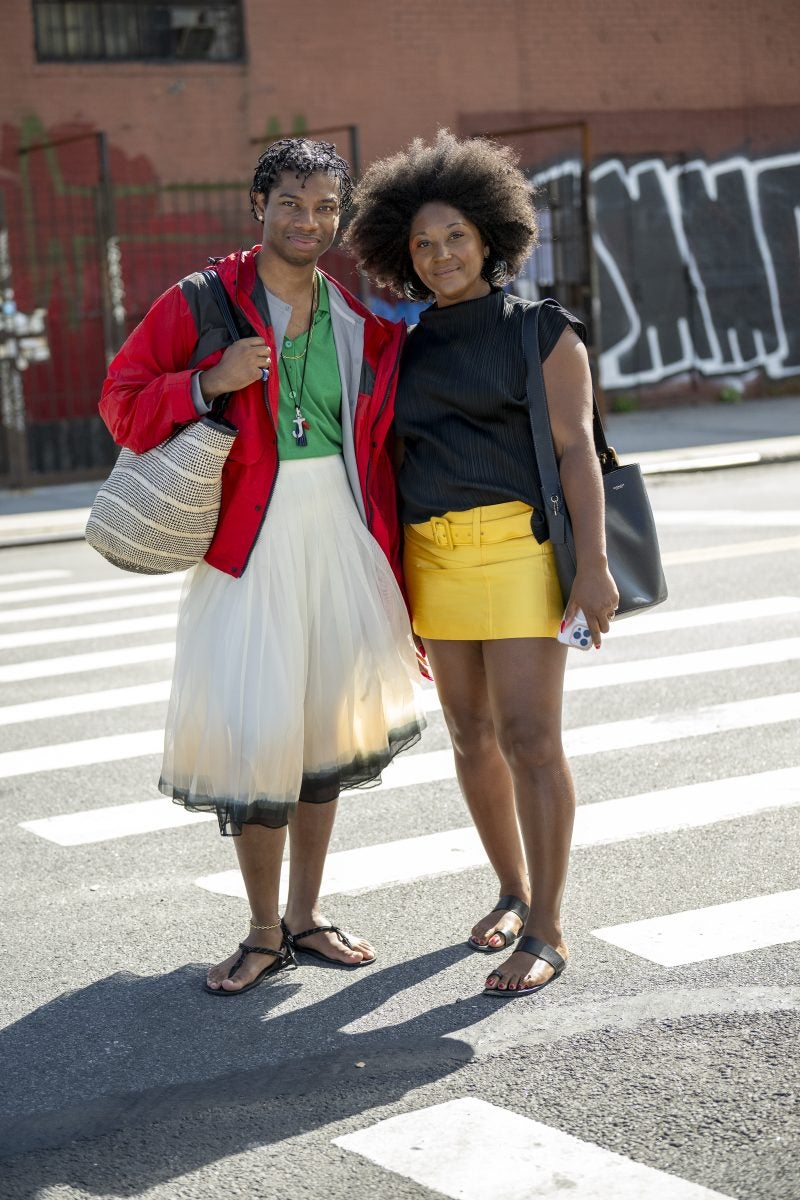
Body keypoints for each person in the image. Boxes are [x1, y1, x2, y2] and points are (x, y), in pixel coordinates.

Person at [99, 138, 425, 995]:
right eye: (291, 203)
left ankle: (306, 917)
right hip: (248, 549)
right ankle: (261, 931)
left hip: (338, 540)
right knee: (259, 739)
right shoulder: (201, 299)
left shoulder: (356, 320)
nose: (308, 221)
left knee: (324, 737)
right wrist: (206, 382)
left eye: (325, 208)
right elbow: (120, 404)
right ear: (259, 206)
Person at [345, 130, 618, 997]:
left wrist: (592, 567)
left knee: (530, 737)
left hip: (519, 553)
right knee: (469, 735)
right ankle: (511, 889)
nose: (440, 255)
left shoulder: (542, 332)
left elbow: (577, 452)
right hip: (434, 558)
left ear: (490, 235)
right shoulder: (402, 347)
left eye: (455, 236)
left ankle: (548, 928)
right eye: (423, 243)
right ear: (403, 254)